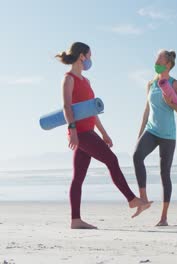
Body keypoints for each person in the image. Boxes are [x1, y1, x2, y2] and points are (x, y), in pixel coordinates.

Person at [56, 42, 150, 229]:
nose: (91, 60)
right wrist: (72, 131)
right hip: (80, 133)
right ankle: (131, 199)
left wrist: (104, 134)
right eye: (89, 56)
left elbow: (92, 112)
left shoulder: (86, 81)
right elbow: (67, 107)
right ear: (82, 56)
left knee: (78, 177)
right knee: (112, 161)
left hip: (89, 131)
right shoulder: (69, 79)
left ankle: (75, 220)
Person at [132, 49, 177, 226]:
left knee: (165, 173)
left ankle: (163, 217)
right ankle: (143, 200)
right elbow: (147, 110)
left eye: (159, 59)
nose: (155, 62)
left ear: (168, 64)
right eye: (155, 59)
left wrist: (171, 103)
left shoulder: (175, 84)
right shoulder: (150, 84)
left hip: (168, 135)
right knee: (136, 156)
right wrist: (140, 133)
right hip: (151, 130)